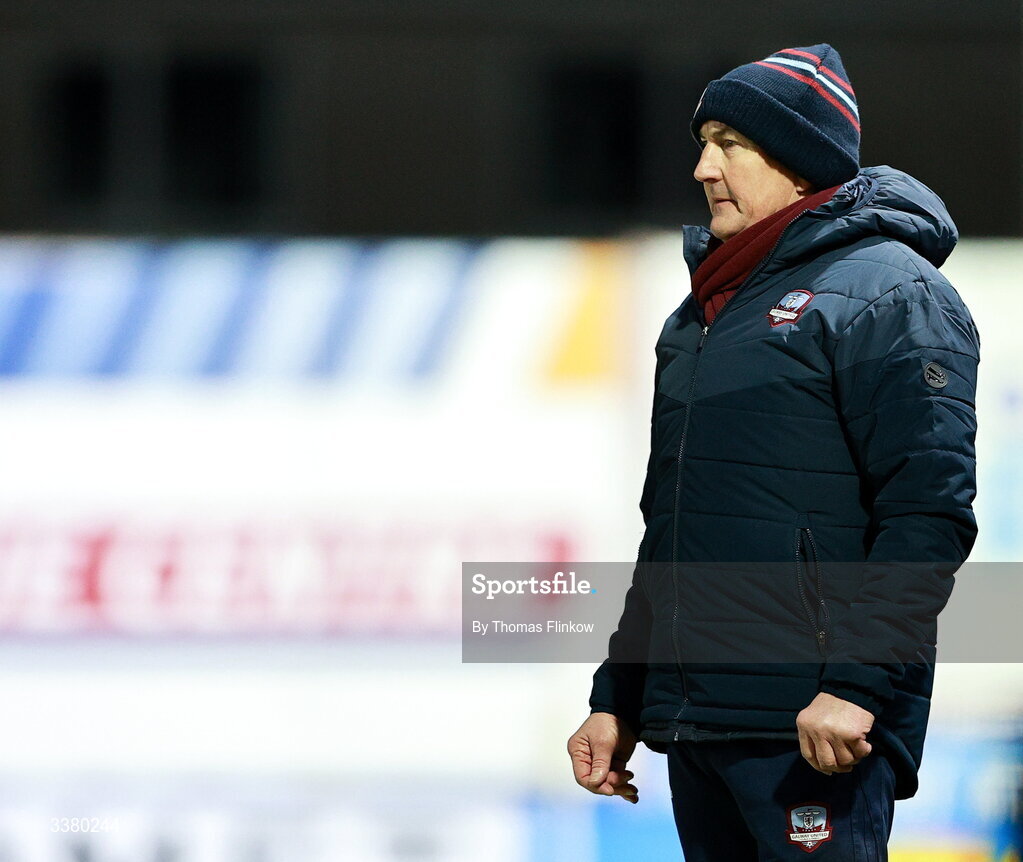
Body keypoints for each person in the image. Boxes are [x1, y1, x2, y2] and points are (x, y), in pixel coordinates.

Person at [567, 43, 979, 860]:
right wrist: (618, 694)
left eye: (728, 142)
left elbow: (926, 513)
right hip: (697, 723)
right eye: (701, 142)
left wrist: (854, 686)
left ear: (798, 161)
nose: (702, 168)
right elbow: (672, 532)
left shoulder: (891, 292)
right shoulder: (700, 319)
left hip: (814, 728)